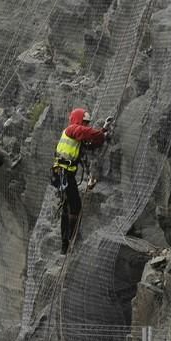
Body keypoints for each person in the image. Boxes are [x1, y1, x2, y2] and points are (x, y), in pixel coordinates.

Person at [51, 108, 112, 254]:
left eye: (87, 122)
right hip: (63, 174)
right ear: (78, 120)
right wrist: (102, 134)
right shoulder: (72, 129)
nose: (85, 124)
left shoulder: (75, 134)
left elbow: (90, 143)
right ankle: (69, 240)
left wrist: (103, 130)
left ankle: (66, 243)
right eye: (84, 121)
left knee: (68, 207)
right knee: (74, 206)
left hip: (63, 174)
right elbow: (89, 134)